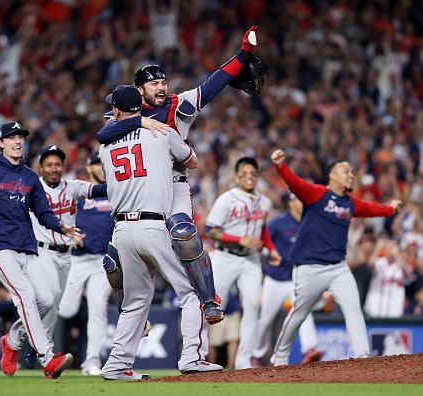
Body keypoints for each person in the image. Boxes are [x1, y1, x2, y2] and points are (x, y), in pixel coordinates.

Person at [96, 26, 264, 324]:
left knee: (184, 234)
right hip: (138, 191)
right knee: (112, 262)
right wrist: (142, 123)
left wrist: (243, 55)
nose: (161, 87)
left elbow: (214, 84)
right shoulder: (122, 114)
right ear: (139, 90)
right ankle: (131, 314)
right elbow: (103, 133)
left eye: (163, 81)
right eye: (153, 84)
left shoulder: (178, 104)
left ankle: (210, 300)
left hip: (173, 185)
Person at [100, 85, 222, 380]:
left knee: (135, 302)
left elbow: (107, 131)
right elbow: (191, 161)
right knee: (191, 290)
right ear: (140, 106)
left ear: (117, 111)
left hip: (121, 230)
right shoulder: (161, 133)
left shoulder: (104, 145)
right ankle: (192, 357)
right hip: (153, 223)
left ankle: (116, 365)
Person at [0, 121, 79, 380]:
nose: (18, 141)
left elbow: (43, 213)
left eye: (20, 137)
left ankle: (12, 341)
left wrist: (61, 227)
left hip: (26, 247)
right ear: (0, 143)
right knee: (26, 296)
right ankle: (47, 358)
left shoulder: (30, 176)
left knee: (47, 299)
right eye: (11, 137)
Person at [269, 149, 402, 366]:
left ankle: (362, 357)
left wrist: (390, 209)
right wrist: (281, 166)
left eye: (351, 171)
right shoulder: (318, 194)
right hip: (310, 267)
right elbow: (296, 184)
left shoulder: (349, 202)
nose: (351, 174)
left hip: (338, 268)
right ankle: (280, 357)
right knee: (299, 314)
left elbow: (371, 208)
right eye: (345, 171)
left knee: (353, 308)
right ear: (333, 176)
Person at [205, 157, 282, 369]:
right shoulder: (226, 199)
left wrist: (272, 249)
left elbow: (261, 227)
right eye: (244, 173)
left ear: (257, 176)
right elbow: (210, 229)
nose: (249, 177)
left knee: (252, 306)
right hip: (225, 257)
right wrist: (239, 239)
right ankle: (198, 354)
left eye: (253, 174)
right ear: (237, 176)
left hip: (250, 259)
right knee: (213, 306)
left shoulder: (264, 201)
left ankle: (243, 360)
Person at [57, 151, 113, 375]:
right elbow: (61, 219)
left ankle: (91, 361)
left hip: (102, 260)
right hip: (78, 260)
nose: (101, 168)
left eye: (104, 164)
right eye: (98, 164)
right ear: (89, 168)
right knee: (66, 309)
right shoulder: (80, 192)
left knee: (98, 307)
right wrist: (71, 238)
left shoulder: (116, 191)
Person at [251, 193, 322, 367]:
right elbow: (262, 242)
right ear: (290, 203)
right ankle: (257, 355)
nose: (301, 202)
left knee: (304, 312)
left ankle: (310, 349)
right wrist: (268, 255)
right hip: (275, 279)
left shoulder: (309, 223)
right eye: (298, 199)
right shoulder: (278, 222)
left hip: (295, 280)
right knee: (265, 321)